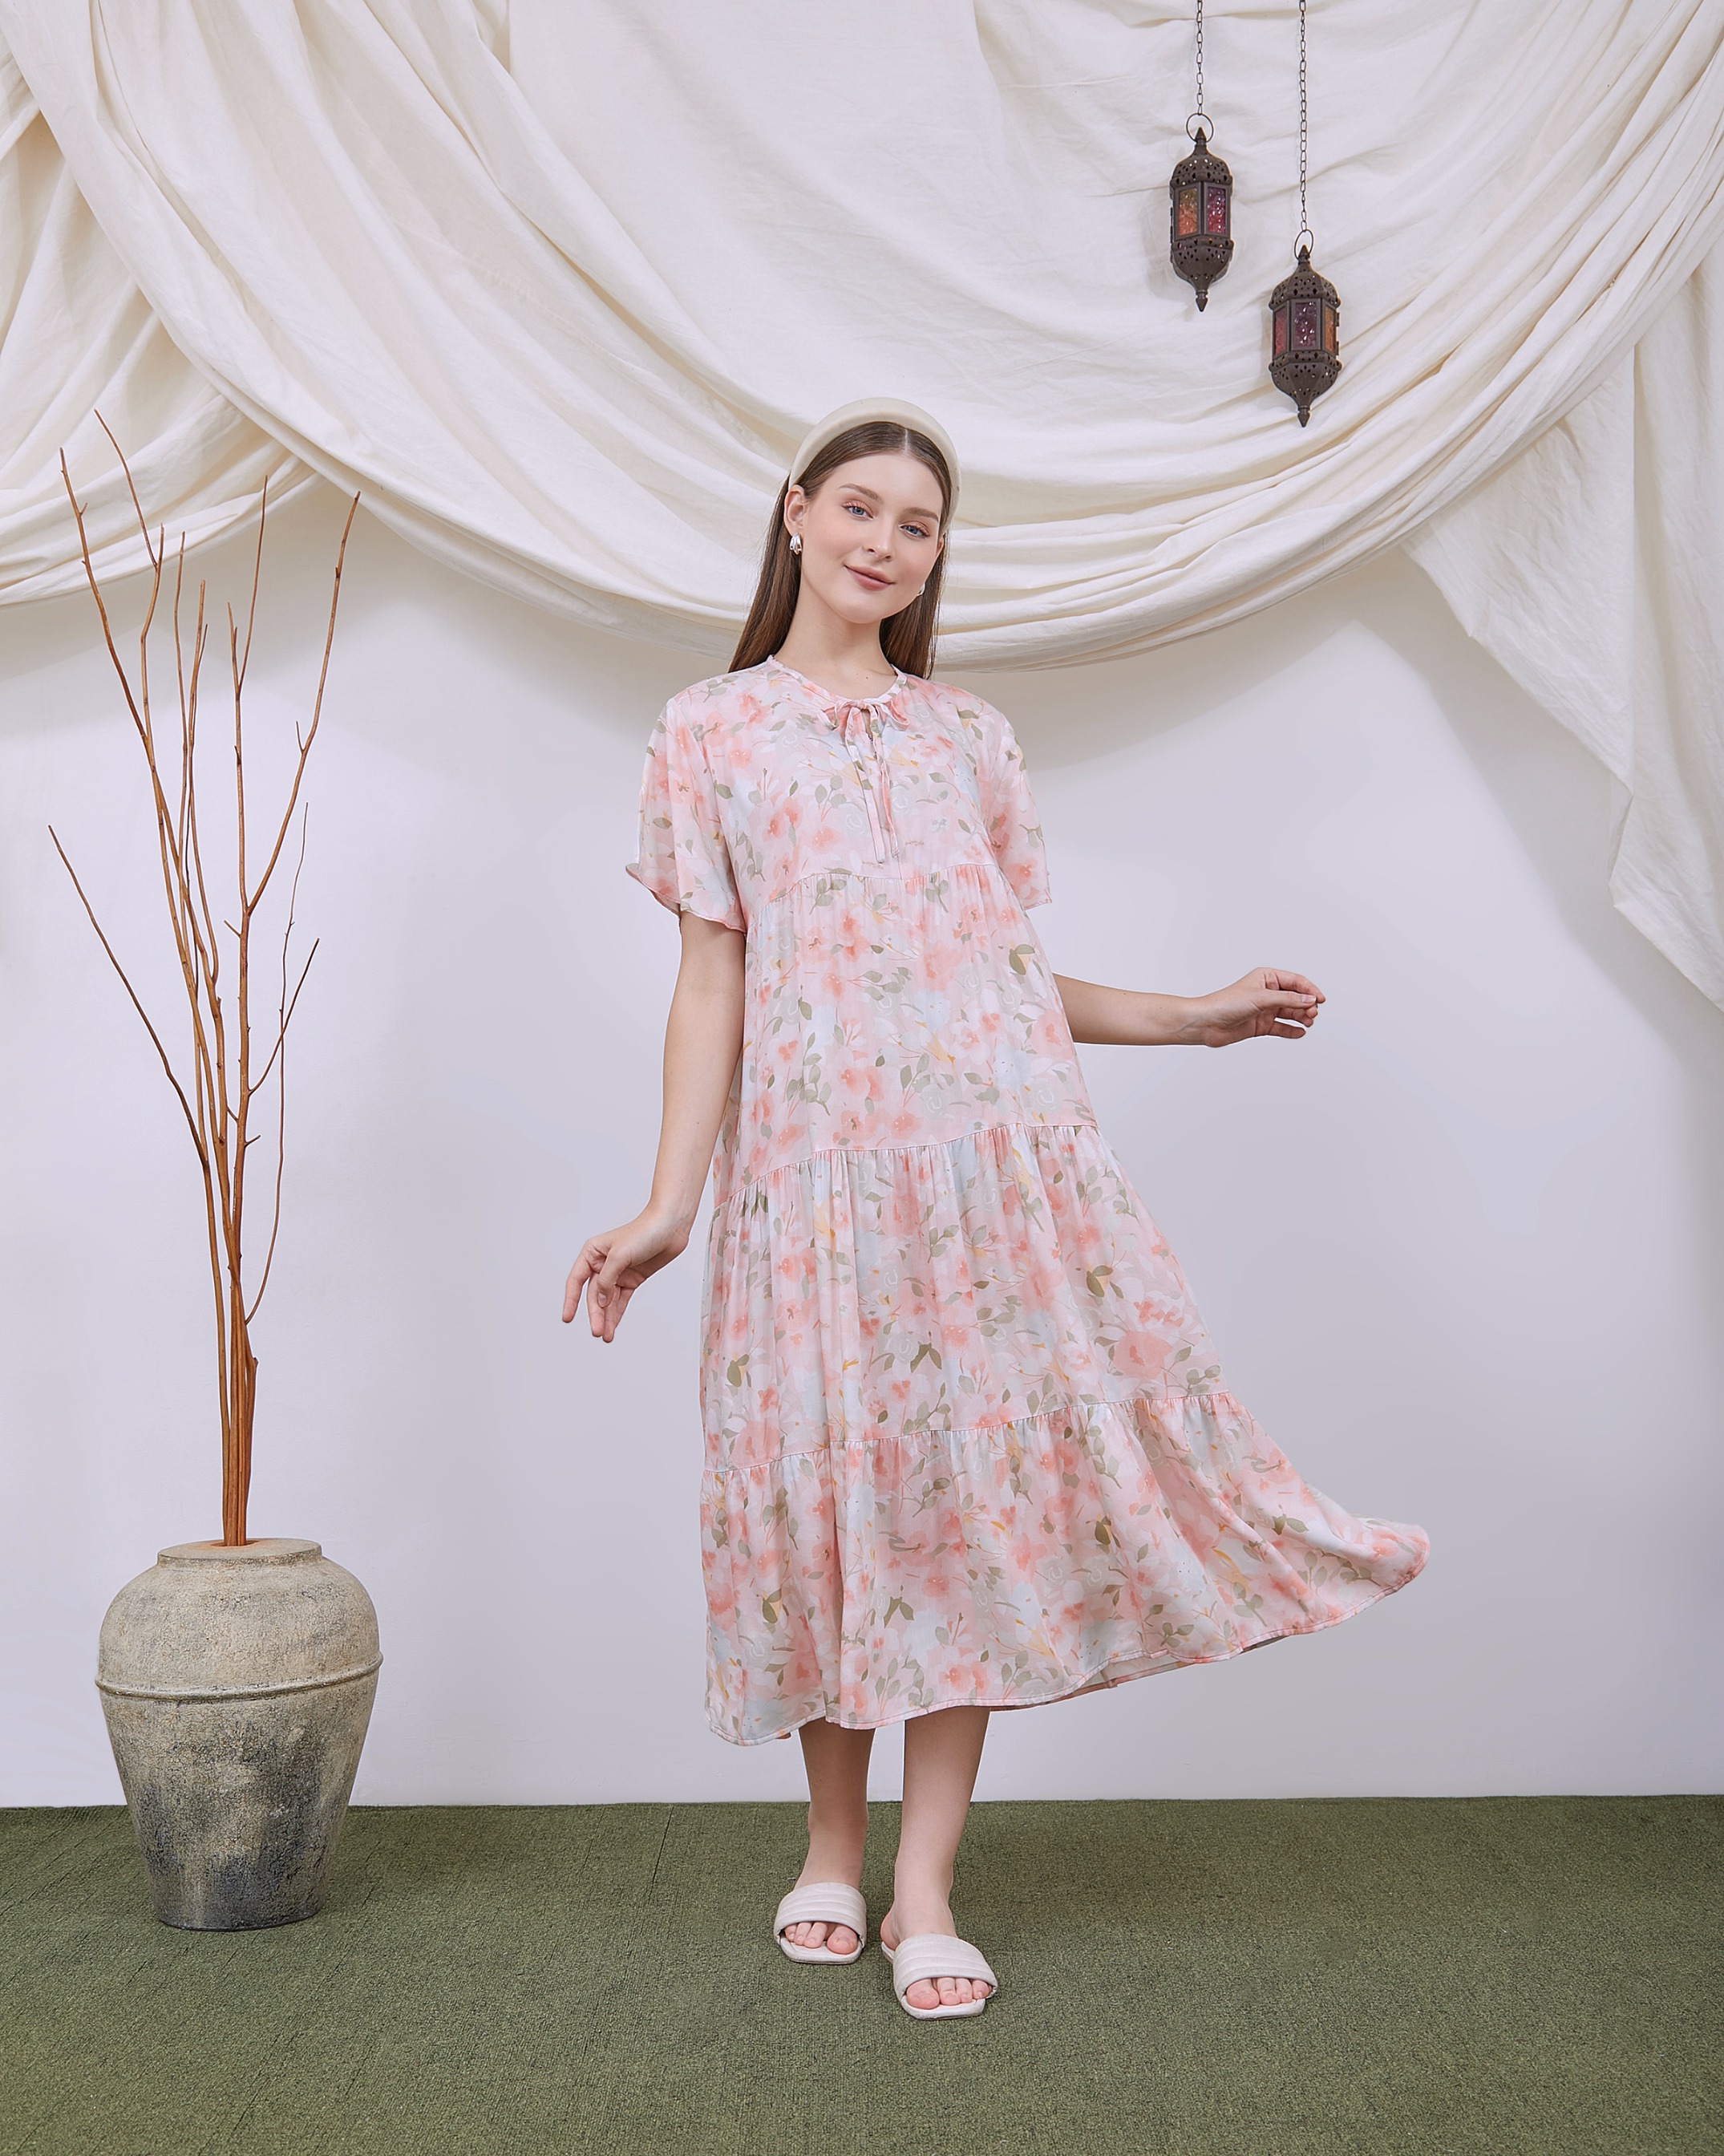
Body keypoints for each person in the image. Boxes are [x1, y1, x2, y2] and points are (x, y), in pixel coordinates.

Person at [563, 398, 1427, 2021]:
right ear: (796, 511)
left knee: (956, 1510)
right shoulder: (709, 731)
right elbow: (711, 979)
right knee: (830, 1493)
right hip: (808, 1184)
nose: (885, 542)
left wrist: (1190, 1016)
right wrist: (669, 1202)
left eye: (919, 524)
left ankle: (927, 1886)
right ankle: (829, 1851)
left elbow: (1001, 977)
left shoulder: (968, 739)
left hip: (985, 1179)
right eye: (861, 508)